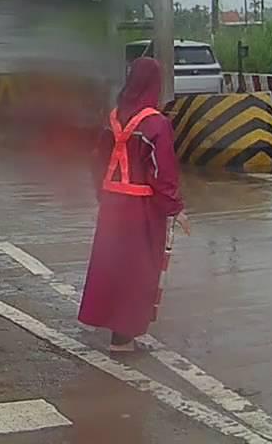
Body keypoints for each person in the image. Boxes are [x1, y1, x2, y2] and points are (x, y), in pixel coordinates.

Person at [78, 57, 191, 352]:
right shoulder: (156, 124)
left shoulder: (112, 118)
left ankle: (113, 329)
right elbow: (162, 173)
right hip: (141, 209)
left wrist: (102, 195)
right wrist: (175, 208)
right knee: (138, 270)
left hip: (112, 206)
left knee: (111, 264)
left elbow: (97, 162)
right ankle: (123, 337)